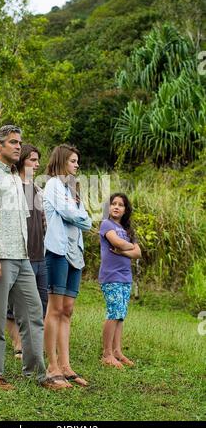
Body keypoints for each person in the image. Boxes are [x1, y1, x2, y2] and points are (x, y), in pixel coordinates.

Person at [0, 125, 49, 390]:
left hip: (22, 257)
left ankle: (37, 374)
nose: (18, 146)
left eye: (20, 142)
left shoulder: (17, 178)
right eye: (13, 142)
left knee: (33, 314)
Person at [43, 144, 92, 389]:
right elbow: (72, 215)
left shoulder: (72, 190)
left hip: (75, 254)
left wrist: (79, 214)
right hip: (57, 251)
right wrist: (79, 214)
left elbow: (87, 222)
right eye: (73, 161)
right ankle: (51, 368)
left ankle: (66, 365)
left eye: (77, 161)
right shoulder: (52, 185)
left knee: (68, 309)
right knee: (55, 308)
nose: (76, 165)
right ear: (62, 161)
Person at [6, 144, 48, 359]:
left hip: (40, 253)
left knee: (41, 302)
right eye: (33, 159)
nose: (37, 164)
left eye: (38, 160)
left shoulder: (38, 190)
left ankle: (34, 343)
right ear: (22, 160)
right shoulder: (12, 186)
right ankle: (18, 343)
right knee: (15, 303)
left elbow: (43, 222)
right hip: (20, 254)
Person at [98, 193, 141, 369]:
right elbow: (117, 242)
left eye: (120, 205)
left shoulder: (128, 230)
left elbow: (137, 253)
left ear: (125, 209)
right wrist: (128, 247)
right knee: (113, 313)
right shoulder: (106, 224)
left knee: (120, 315)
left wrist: (124, 251)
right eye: (113, 204)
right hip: (111, 275)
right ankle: (107, 354)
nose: (116, 207)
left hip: (125, 276)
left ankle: (117, 351)